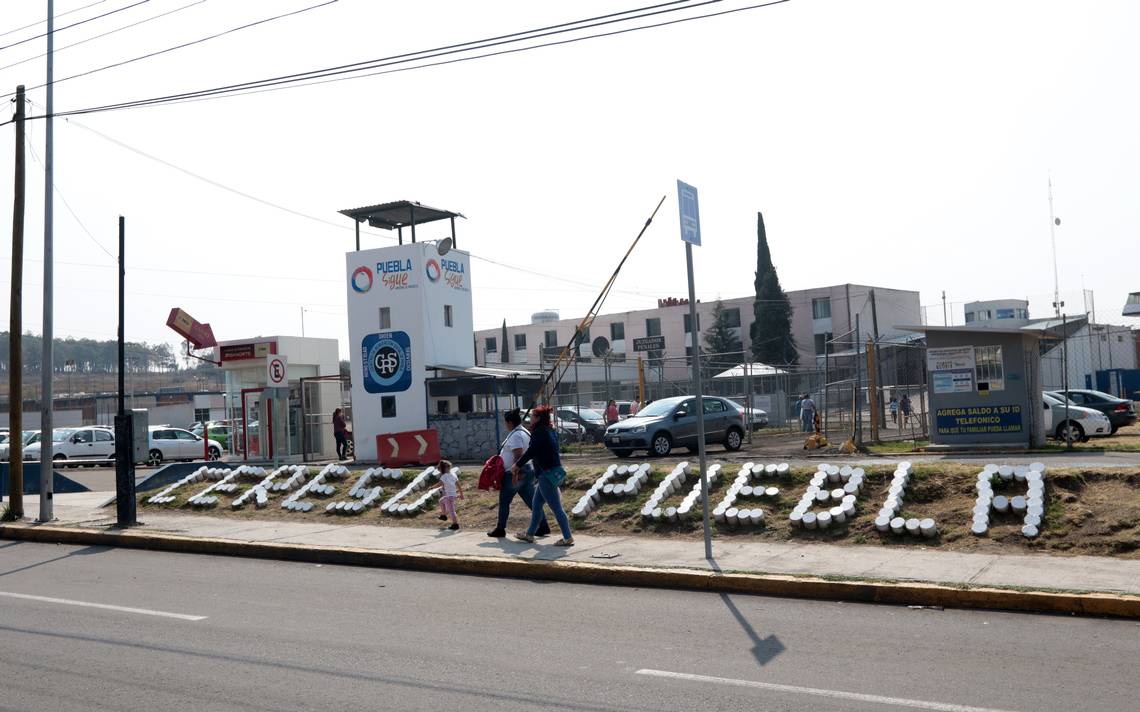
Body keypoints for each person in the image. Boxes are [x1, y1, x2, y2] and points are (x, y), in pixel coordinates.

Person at [513, 405, 574, 546]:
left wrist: (517, 465)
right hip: (552, 471)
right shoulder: (549, 430)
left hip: (546, 474)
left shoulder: (539, 432)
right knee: (537, 504)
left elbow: (531, 451)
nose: (531, 418)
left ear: (538, 418)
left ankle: (567, 537)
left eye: (533, 415)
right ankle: (529, 534)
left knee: (556, 508)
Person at [487, 409, 550, 538]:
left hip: (515, 473)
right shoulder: (524, 432)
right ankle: (543, 526)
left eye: (506, 422)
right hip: (527, 471)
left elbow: (518, 455)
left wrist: (516, 474)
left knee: (504, 501)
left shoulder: (515, 435)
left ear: (509, 423)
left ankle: (500, 528)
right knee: (532, 502)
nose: (505, 424)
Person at [436, 460, 464, 531]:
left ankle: (455, 524)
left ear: (443, 469)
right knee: (441, 501)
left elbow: (439, 484)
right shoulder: (453, 474)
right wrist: (461, 494)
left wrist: (432, 487)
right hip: (452, 495)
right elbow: (459, 485)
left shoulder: (444, 476)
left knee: (452, 511)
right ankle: (443, 515)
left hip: (448, 497)